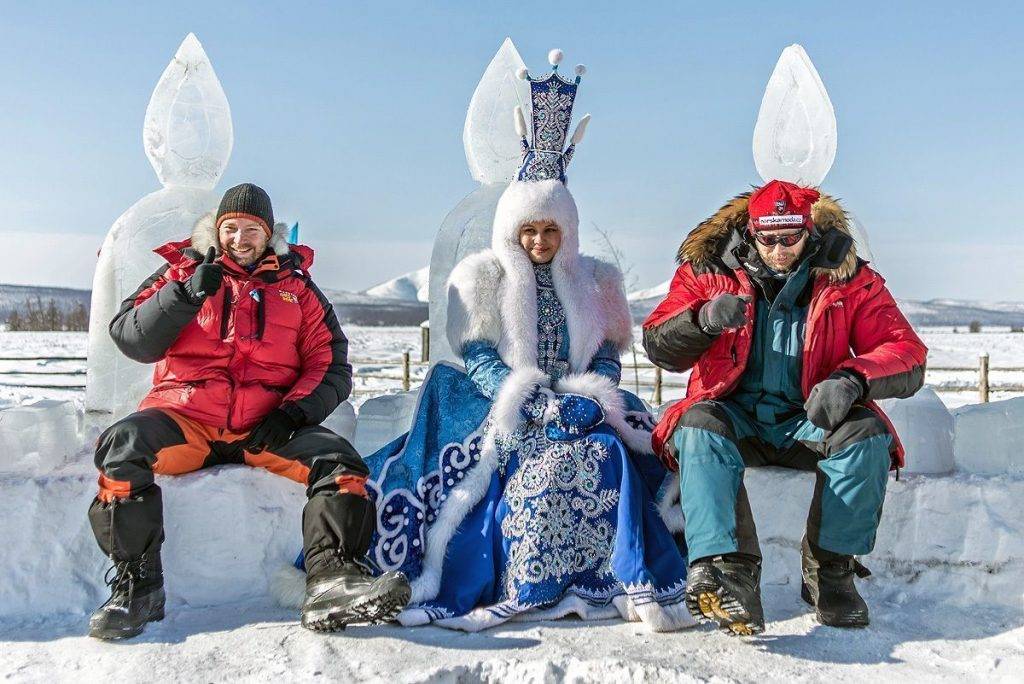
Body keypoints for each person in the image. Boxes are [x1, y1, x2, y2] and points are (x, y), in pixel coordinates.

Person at [360, 52, 693, 632]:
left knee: (609, 454)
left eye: (550, 229)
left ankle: (621, 582)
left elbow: (609, 352)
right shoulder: (483, 277)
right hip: (511, 408)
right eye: (529, 229)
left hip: (581, 404)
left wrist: (594, 395)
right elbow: (480, 354)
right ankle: (529, 579)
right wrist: (532, 400)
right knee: (526, 467)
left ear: (567, 229)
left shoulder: (597, 280)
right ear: (512, 230)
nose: (539, 240)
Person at [86, 182, 410, 639]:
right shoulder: (181, 270)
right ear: (217, 231)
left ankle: (332, 580)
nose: (241, 239)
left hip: (266, 429)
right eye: (231, 228)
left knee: (340, 464)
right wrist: (183, 295)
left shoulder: (298, 288)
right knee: (123, 447)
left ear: (269, 234)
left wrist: (294, 413)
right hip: (185, 419)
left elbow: (330, 362)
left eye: (252, 229)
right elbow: (130, 337)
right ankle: (137, 589)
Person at [643, 179, 928, 635]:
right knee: (697, 425)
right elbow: (659, 342)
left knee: (866, 437)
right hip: (733, 415)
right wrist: (702, 320)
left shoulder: (848, 277)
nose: (778, 249)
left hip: (809, 420)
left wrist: (852, 379)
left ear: (808, 233)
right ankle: (729, 573)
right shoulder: (708, 271)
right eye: (768, 238)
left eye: (790, 238)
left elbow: (905, 349)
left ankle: (829, 571)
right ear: (752, 233)